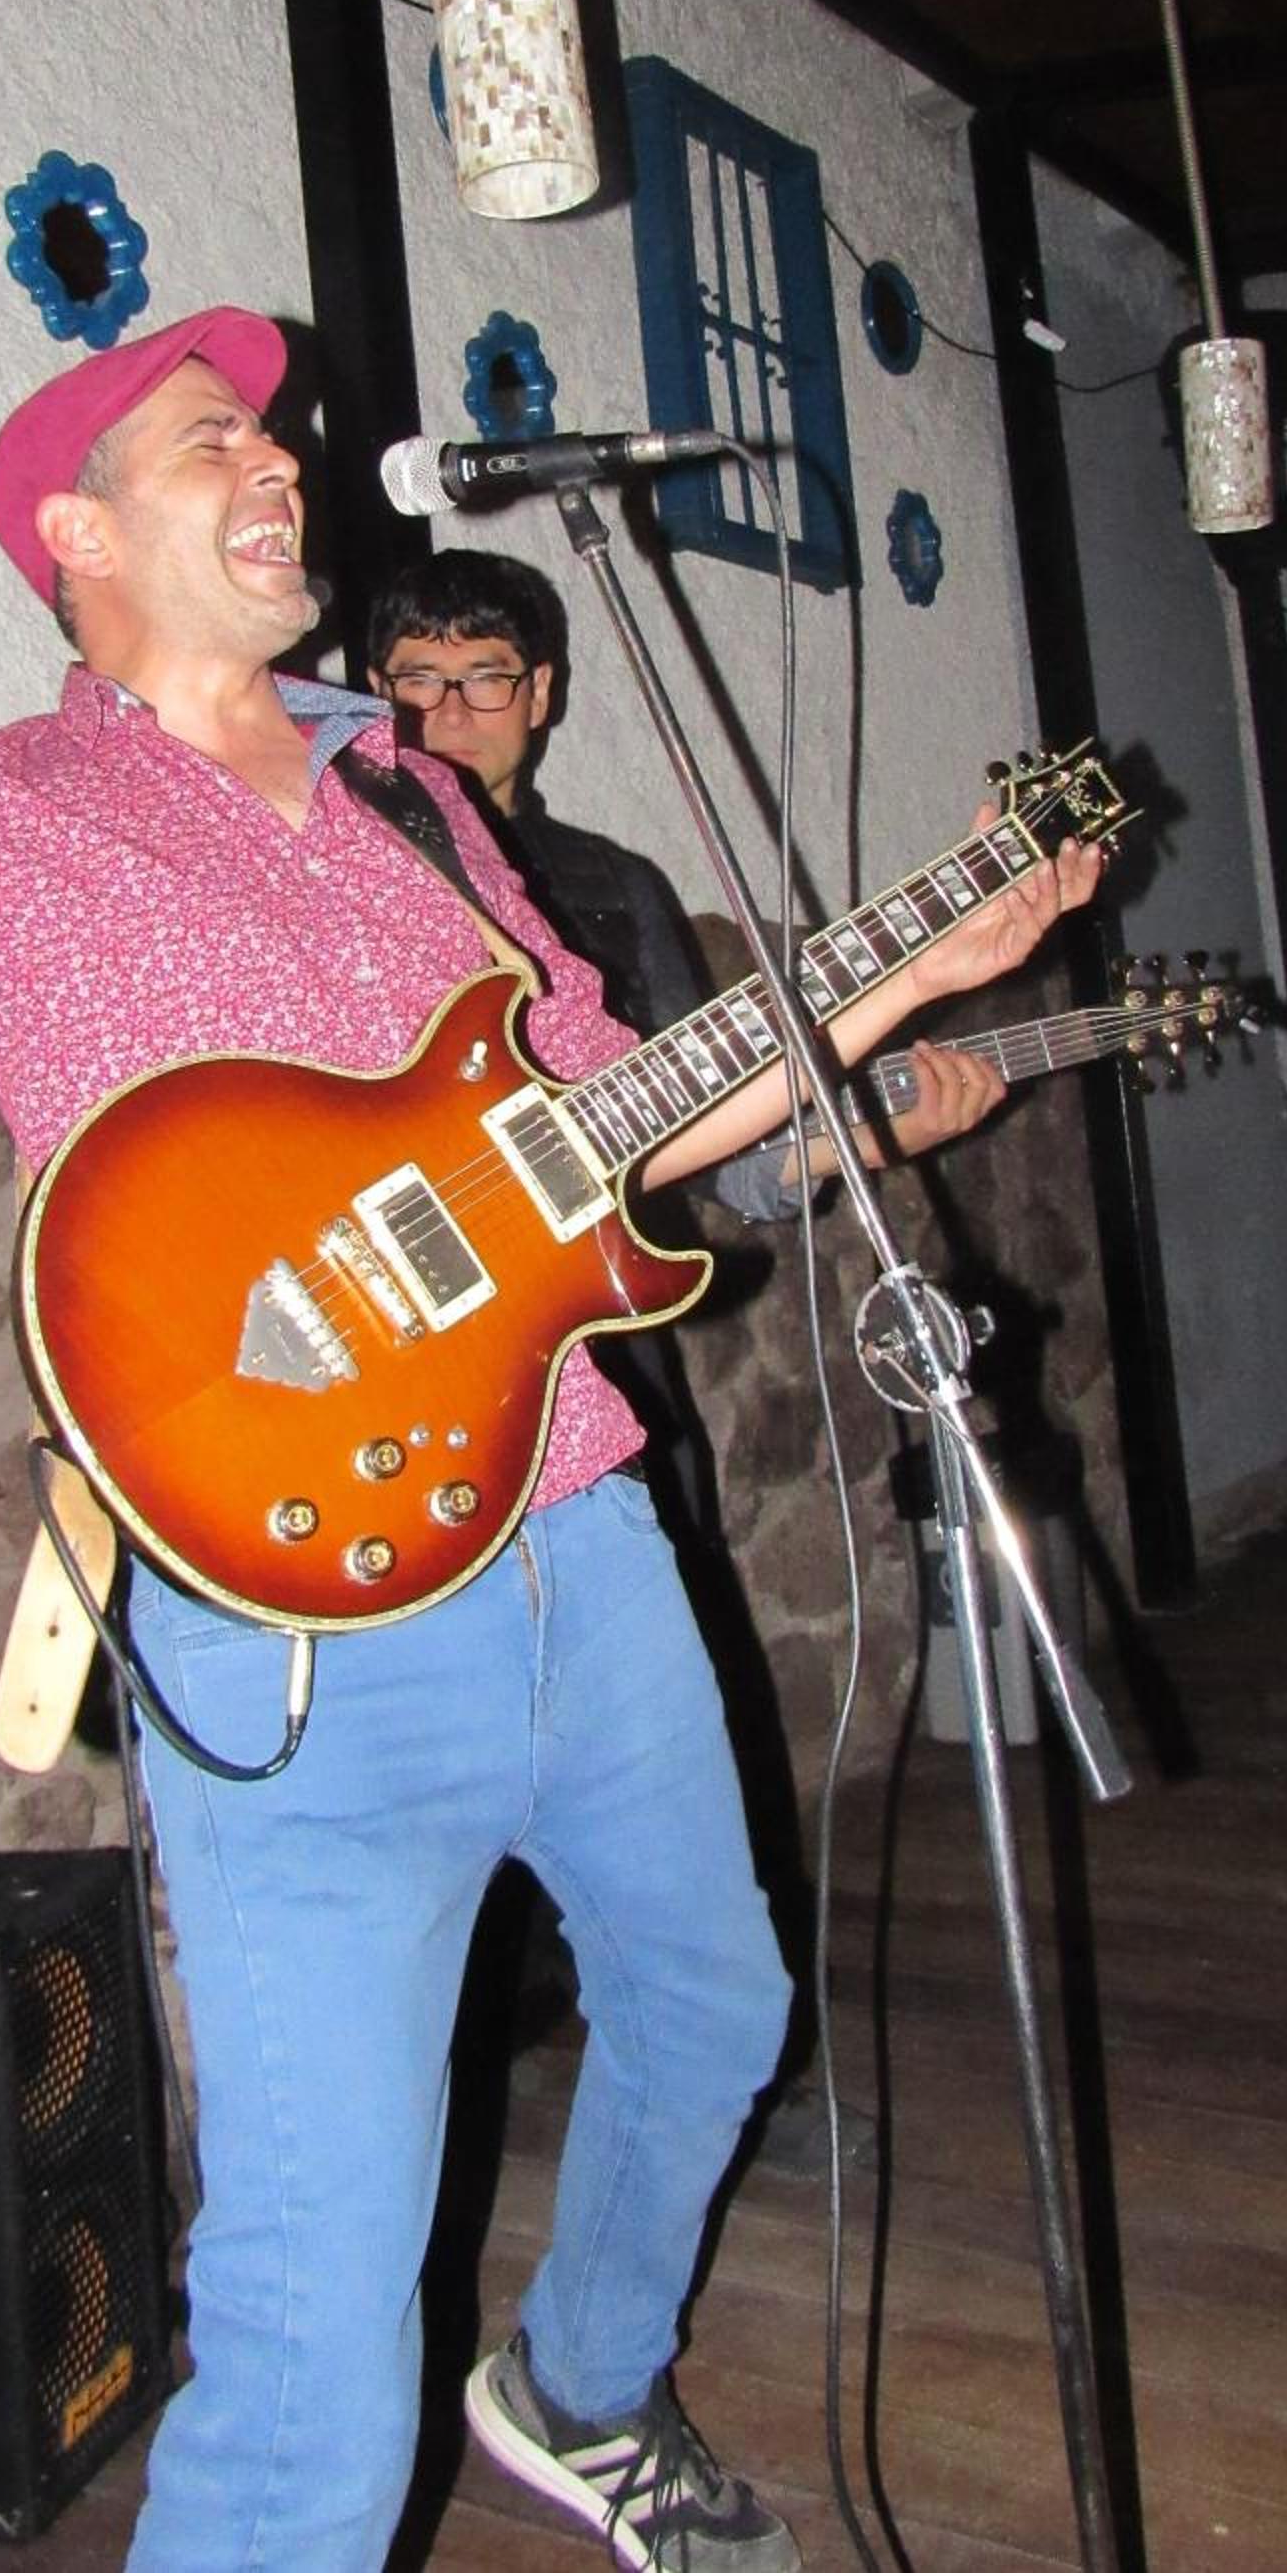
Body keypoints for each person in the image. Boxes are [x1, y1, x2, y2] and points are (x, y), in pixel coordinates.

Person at [0, 316, 1100, 2573]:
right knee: (321, 2324)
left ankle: (579, 2387)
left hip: (583, 1534)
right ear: (77, 533)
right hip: (298, 1631)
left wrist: (921, 964)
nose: (279, 464)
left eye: (273, 436)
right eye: (212, 439)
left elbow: (614, 1126)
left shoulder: (417, 803)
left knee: (718, 2005)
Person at [365, 547, 1007, 2164]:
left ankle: (709, 2078)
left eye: (482, 680)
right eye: (413, 683)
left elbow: (723, 1167)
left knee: (656, 1756)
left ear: (543, 696)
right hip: (392, 1390)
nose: (446, 716)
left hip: (600, 1394)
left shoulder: (612, 888)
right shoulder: (336, 854)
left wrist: (858, 1134)